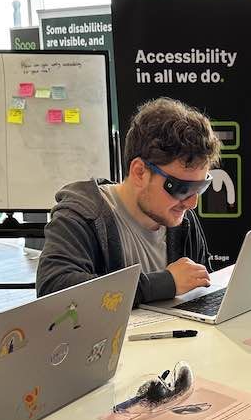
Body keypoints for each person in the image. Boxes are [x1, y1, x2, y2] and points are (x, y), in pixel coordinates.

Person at [38, 97, 219, 304]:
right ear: (140, 172)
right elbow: (53, 290)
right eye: (181, 188)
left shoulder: (181, 220)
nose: (191, 203)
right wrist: (164, 283)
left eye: (200, 187)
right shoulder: (81, 216)